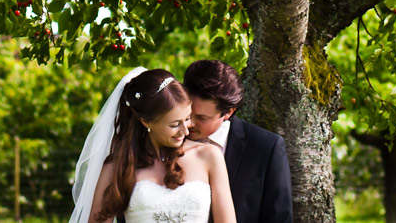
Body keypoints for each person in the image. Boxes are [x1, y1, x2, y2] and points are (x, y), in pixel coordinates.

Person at [70, 67, 237, 223]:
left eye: (187, 119)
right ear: (146, 121)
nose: (185, 131)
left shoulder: (209, 156)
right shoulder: (118, 166)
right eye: (174, 124)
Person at [183, 60, 292, 223]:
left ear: (228, 112)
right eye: (187, 112)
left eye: (201, 117)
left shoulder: (265, 148)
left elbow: (279, 218)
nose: (189, 122)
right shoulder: (165, 138)